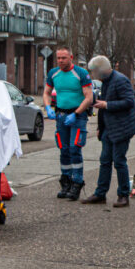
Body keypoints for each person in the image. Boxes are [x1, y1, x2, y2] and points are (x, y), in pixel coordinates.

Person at [81, 56, 135, 207]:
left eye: (94, 72)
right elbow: (102, 109)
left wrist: (107, 104)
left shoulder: (120, 80)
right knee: (105, 161)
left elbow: (129, 102)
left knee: (119, 161)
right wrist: (100, 127)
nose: (93, 76)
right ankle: (100, 193)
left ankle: (123, 195)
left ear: (101, 71)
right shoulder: (106, 81)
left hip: (122, 127)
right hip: (108, 127)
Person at [42, 47, 93, 200]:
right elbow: (46, 92)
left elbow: (89, 97)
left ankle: (77, 182)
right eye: (58, 58)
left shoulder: (81, 73)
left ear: (71, 57)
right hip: (61, 115)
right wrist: (48, 108)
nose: (60, 61)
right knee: (63, 149)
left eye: (64, 58)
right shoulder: (53, 73)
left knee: (74, 148)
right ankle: (66, 181)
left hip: (77, 116)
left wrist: (76, 113)